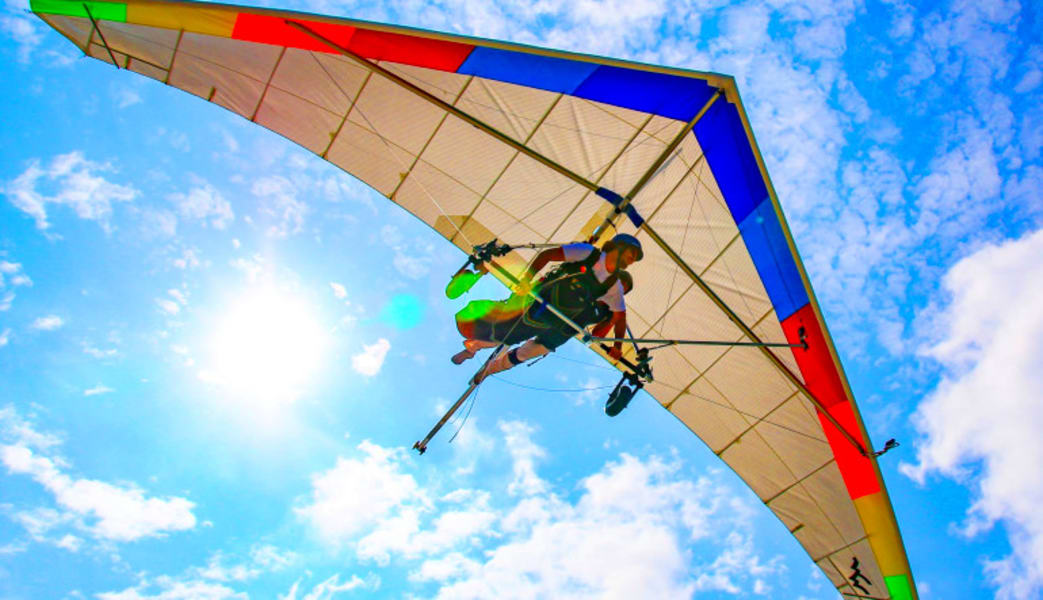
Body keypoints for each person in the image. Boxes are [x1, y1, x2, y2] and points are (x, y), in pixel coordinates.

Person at [452, 233, 643, 384]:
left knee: (523, 348)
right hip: (541, 300)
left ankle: (489, 370)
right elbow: (547, 255)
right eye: (631, 254)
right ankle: (473, 346)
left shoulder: (613, 287)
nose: (632, 261)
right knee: (507, 330)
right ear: (619, 247)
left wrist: (618, 347)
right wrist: (527, 280)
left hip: (555, 322)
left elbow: (620, 317)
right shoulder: (588, 253)